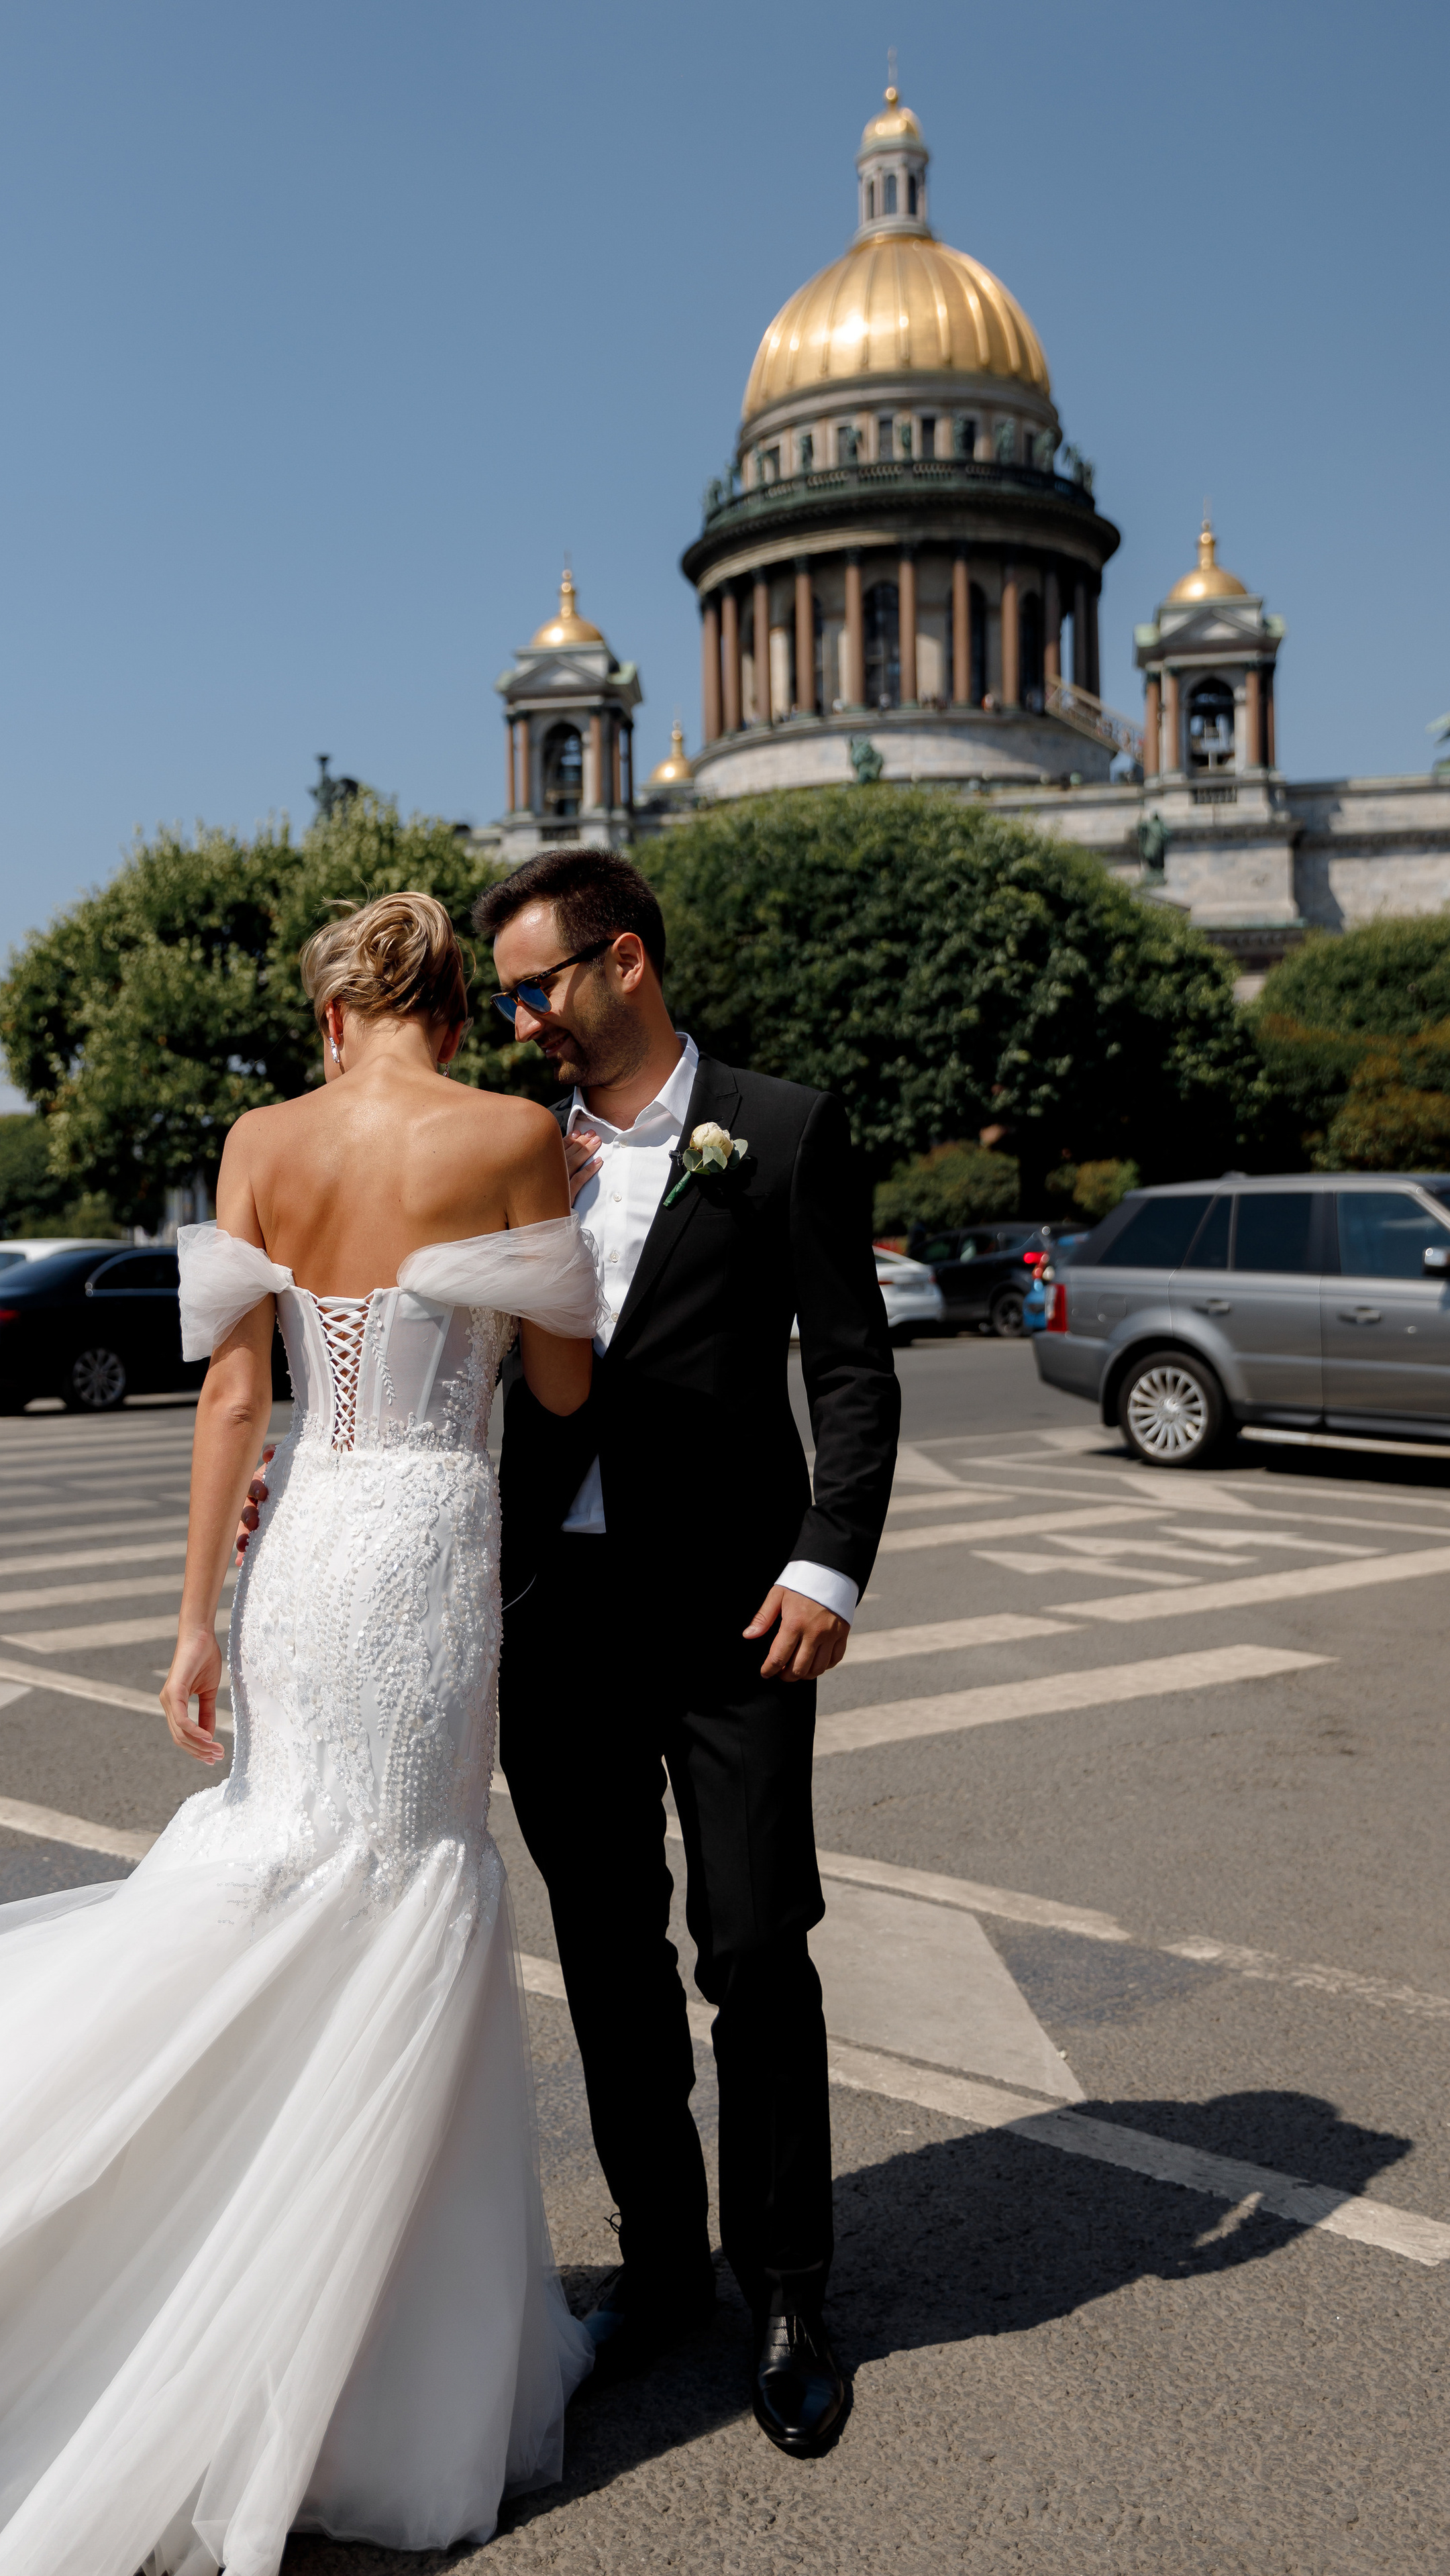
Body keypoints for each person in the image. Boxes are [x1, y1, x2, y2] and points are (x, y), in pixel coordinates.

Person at [0, 892, 600, 2575]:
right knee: (408, 1889)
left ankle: (197, 2274)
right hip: (424, 1553)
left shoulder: (259, 1142)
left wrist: (195, 1617)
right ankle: (359, 2364)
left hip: (303, 1559)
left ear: (341, 1012)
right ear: (439, 999)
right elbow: (561, 1392)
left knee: (287, 1879)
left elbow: (228, 1398)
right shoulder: (513, 1136)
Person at [476, 848, 898, 2457]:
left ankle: (787, 2283)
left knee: (752, 1945)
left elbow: (852, 1370)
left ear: (626, 963)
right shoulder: (508, 1148)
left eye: (539, 987)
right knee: (604, 1953)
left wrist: (829, 1562)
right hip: (555, 1621)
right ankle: (659, 2266)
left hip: (737, 1615)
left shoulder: (778, 1130)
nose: (519, 1021)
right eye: (508, 992)